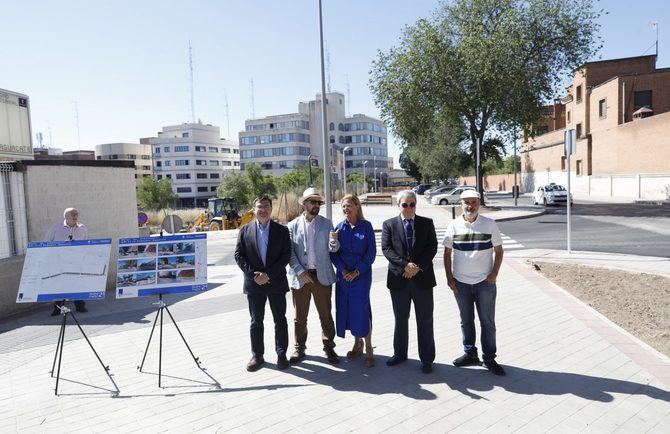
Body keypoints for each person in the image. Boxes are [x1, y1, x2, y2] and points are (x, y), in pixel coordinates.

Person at [443, 190, 506, 376]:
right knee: (466, 320)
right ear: (460, 204)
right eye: (466, 202)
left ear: (479, 203)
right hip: (460, 283)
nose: (470, 205)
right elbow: (447, 254)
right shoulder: (453, 225)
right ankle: (470, 353)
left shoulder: (490, 224)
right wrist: (449, 278)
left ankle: (489, 358)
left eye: (473, 202)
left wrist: (494, 273)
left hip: (484, 282)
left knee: (487, 322)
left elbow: (499, 251)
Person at [381, 190, 437, 374]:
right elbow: (387, 249)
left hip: (422, 279)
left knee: (425, 320)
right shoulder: (388, 224)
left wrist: (417, 267)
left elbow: (432, 247)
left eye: (412, 204)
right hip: (399, 280)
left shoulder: (426, 223)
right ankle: (400, 354)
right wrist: (406, 266)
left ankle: (427, 359)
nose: (409, 208)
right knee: (400, 319)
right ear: (398, 206)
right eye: (405, 204)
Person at [234, 196, 292, 372]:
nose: (263, 210)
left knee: (280, 320)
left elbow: (286, 255)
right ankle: (257, 356)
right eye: (260, 207)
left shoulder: (281, 231)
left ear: (271, 209)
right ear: (254, 209)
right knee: (256, 321)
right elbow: (239, 255)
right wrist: (254, 275)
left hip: (276, 282)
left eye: (267, 206)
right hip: (254, 284)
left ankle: (281, 354)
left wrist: (268, 275)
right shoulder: (244, 231)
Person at [287, 188, 341, 365]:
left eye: (319, 202)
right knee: (299, 317)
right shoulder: (293, 226)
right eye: (313, 202)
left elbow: (333, 249)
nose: (317, 205)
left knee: (325, 315)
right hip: (301, 277)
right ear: (305, 203)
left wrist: (334, 241)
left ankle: (329, 347)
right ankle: (299, 348)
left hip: (322, 277)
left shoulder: (327, 224)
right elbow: (290, 253)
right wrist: (300, 272)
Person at [330, 194, 376, 367]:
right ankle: (358, 344)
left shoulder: (366, 226)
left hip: (361, 276)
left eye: (349, 205)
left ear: (357, 206)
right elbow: (333, 253)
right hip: (343, 277)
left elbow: (371, 254)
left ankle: (369, 348)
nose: (346, 209)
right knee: (348, 310)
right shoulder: (339, 228)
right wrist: (343, 270)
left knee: (362, 310)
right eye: (343, 206)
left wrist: (357, 271)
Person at [45, 207, 88, 315]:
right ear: (66, 217)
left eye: (76, 214)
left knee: (77, 284)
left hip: (77, 262)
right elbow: (47, 241)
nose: (75, 216)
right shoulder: (56, 228)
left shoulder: (82, 228)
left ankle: (80, 306)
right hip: (60, 263)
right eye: (73, 214)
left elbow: (87, 243)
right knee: (59, 285)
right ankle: (58, 308)